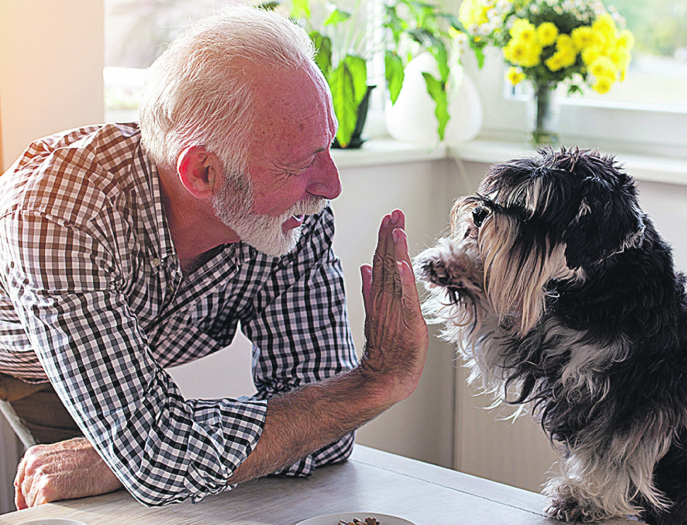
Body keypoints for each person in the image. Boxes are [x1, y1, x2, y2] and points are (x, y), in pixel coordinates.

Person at [0, 6, 428, 509]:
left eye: (327, 146)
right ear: (202, 173)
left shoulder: (290, 216)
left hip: (110, 364)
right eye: (300, 162)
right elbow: (160, 461)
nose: (331, 185)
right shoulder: (59, 211)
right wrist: (377, 383)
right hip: (16, 360)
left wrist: (143, 451)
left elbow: (328, 432)